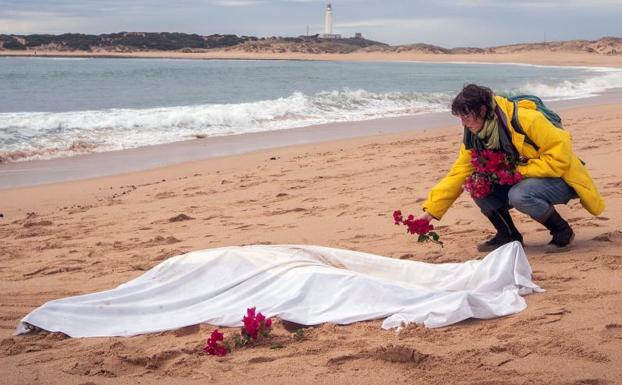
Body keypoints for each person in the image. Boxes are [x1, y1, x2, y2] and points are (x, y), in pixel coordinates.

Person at [417, 84, 605, 252]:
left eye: (466, 115)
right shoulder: (475, 135)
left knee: (519, 194)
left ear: (482, 110)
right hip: (522, 178)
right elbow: (458, 173)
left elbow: (560, 160)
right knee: (477, 186)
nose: (463, 122)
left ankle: (562, 231)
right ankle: (508, 235)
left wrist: (516, 172)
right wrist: (430, 213)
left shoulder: (526, 119)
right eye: (460, 117)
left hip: (562, 179)